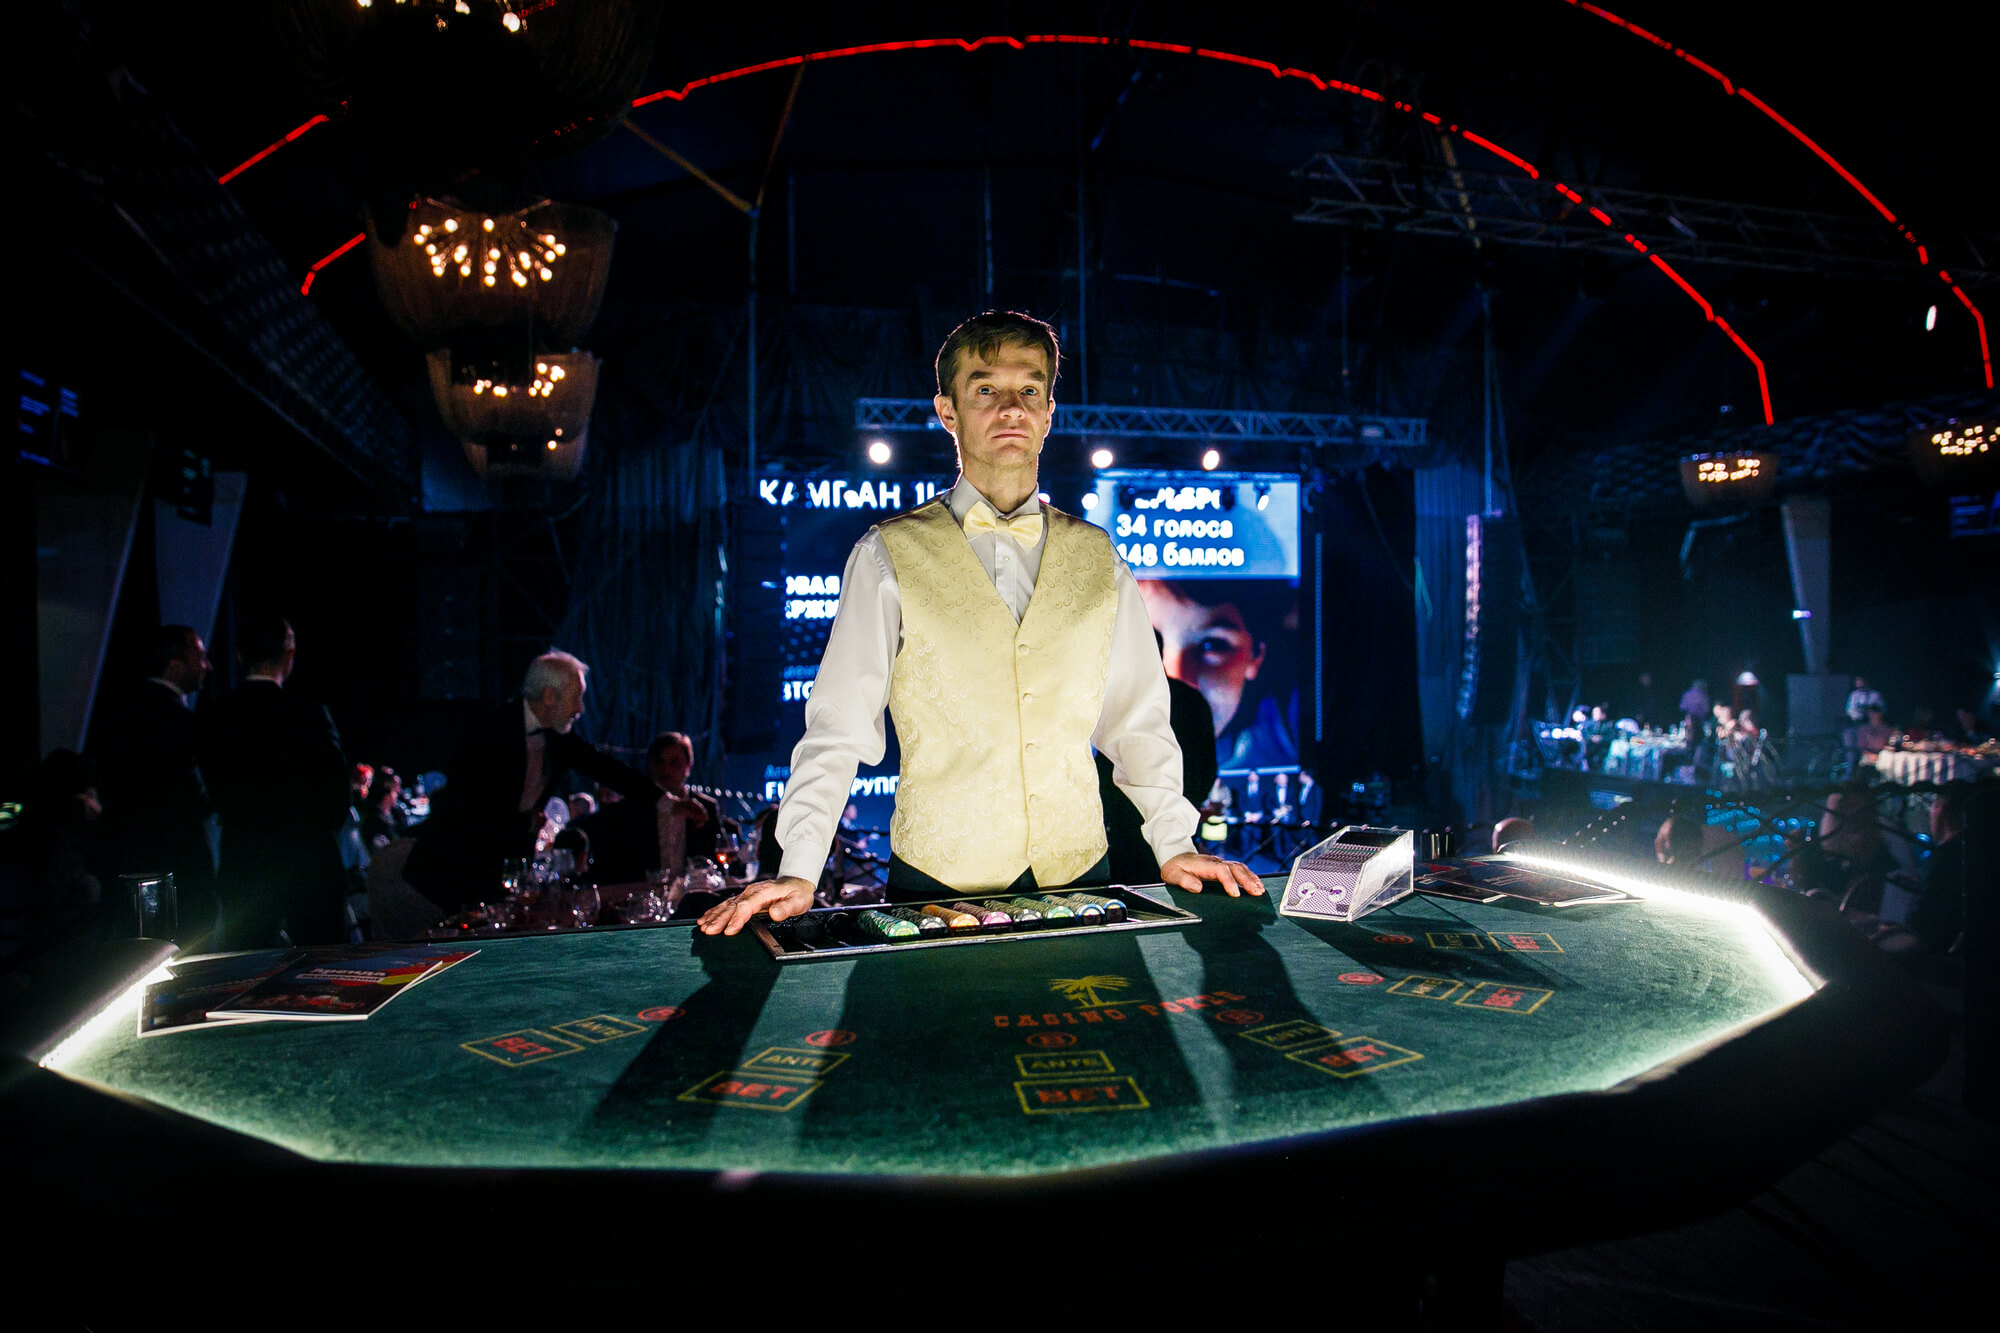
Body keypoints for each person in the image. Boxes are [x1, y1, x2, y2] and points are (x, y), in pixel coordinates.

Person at [703, 310, 1260, 936]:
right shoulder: (887, 554)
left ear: (1049, 413)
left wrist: (1175, 844)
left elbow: (1139, 724)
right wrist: (799, 867)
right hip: (935, 891)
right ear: (948, 411)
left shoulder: (1100, 557)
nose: (1012, 408)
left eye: (1030, 390)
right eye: (986, 389)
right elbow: (837, 727)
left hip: (1081, 880)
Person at [403, 651, 657, 916]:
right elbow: (470, 808)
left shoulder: (557, 736)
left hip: (502, 869)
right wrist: (526, 823)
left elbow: (605, 768)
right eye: (576, 697)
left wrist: (665, 800)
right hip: (452, 867)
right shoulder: (489, 730)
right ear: (549, 696)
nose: (581, 709)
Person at [201, 615, 353, 949]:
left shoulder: (216, 716)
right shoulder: (308, 713)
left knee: (247, 963)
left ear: (240, 655)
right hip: (310, 860)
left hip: (245, 859)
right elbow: (337, 791)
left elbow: (212, 788)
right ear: (289, 655)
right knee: (322, 963)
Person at [92, 624, 219, 947]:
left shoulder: (118, 717)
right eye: (200, 656)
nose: (207, 666)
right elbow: (195, 795)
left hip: (127, 861)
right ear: (175, 663)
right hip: (181, 865)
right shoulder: (183, 722)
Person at [1139, 577, 1298, 770]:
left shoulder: (1291, 732)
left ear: (1255, 655)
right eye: (1145, 643)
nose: (1179, 680)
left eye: (1212, 645)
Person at [575, 732, 720, 887]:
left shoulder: (705, 808)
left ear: (689, 765)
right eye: (659, 762)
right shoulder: (629, 810)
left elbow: (713, 861)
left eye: (674, 763)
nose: (666, 769)